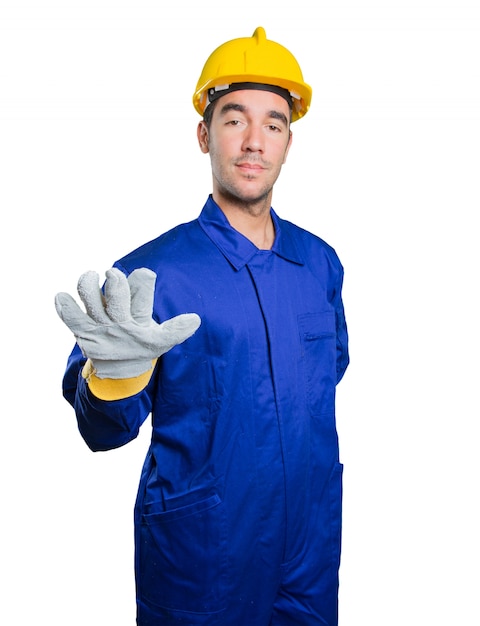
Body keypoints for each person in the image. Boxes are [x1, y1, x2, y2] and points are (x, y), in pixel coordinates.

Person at [55, 26, 349, 626]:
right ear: (204, 134)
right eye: (235, 119)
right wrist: (111, 381)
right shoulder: (151, 273)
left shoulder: (319, 263)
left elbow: (330, 373)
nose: (253, 142)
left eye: (273, 124)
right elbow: (101, 431)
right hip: (204, 554)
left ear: (289, 142)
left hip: (309, 546)